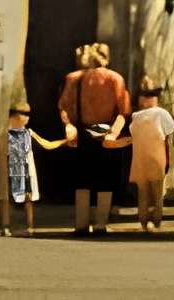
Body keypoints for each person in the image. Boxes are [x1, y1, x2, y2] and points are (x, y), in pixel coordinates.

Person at [56, 41, 133, 237]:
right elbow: (123, 112)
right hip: (106, 133)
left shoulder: (73, 78)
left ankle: (81, 223)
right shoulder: (116, 79)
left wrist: (69, 126)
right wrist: (114, 134)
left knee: (82, 179)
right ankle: (100, 223)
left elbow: (64, 107)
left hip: (83, 132)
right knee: (105, 180)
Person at [0, 103, 65, 236]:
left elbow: (46, 144)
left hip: (27, 170)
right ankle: (6, 226)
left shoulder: (29, 133)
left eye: (28, 114)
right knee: (8, 199)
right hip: (13, 169)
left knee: (28, 199)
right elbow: (2, 153)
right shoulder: (6, 134)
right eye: (24, 114)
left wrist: (64, 141)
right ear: (14, 116)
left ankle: (29, 226)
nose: (27, 118)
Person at [127, 80, 174, 231]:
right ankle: (156, 220)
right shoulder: (161, 113)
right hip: (157, 157)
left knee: (143, 192)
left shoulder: (135, 117)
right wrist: (172, 156)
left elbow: (132, 136)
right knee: (157, 192)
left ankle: (144, 221)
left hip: (139, 158)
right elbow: (172, 136)